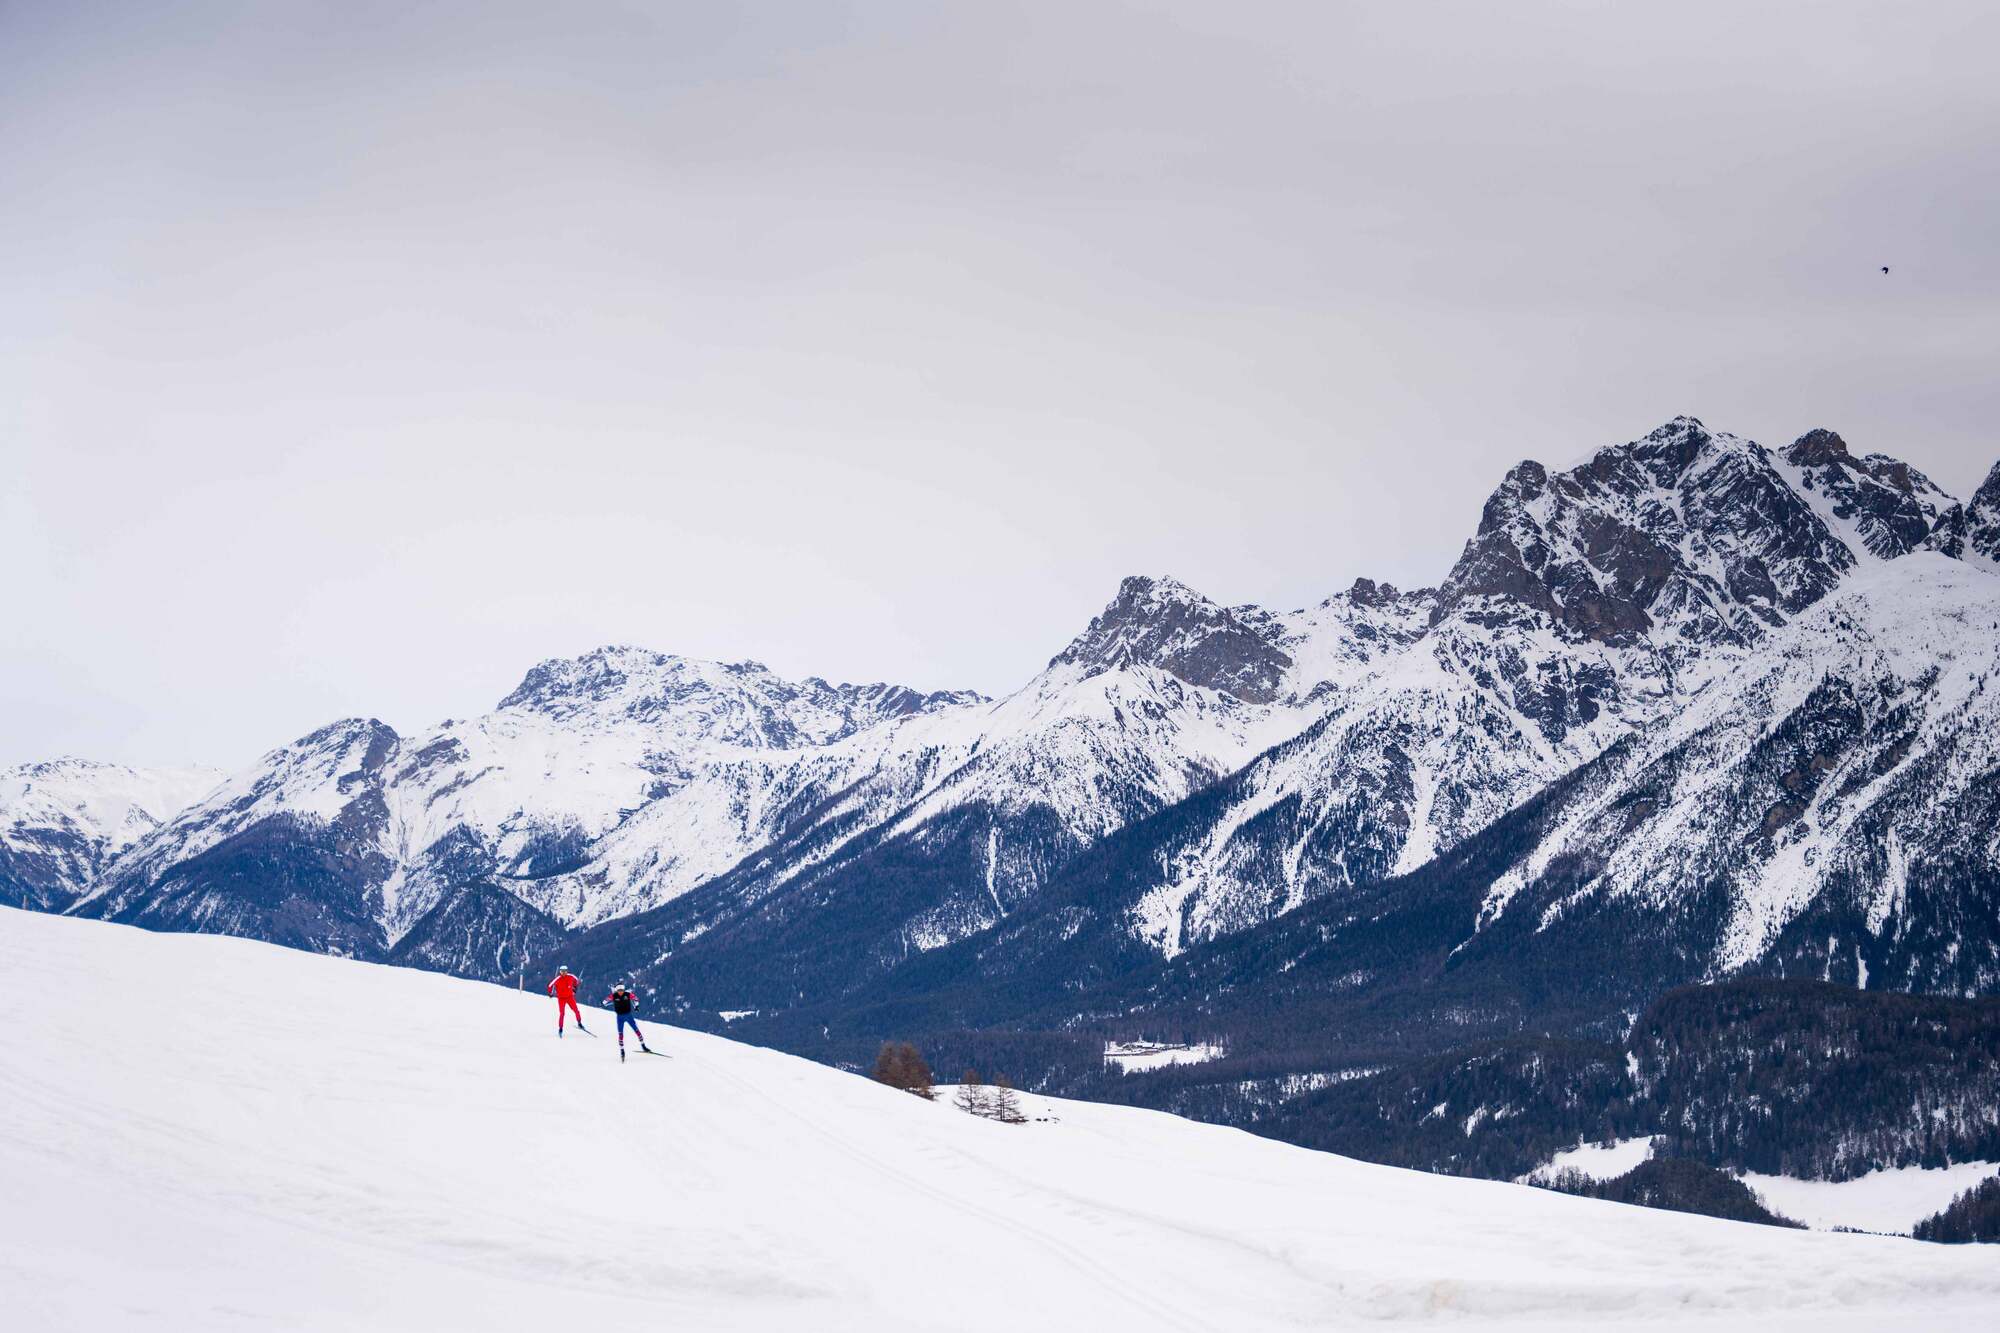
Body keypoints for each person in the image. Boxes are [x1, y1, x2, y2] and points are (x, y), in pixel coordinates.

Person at [606, 982, 653, 1061]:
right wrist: (604, 1002)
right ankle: (622, 1051)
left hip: (628, 1016)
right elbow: (605, 1001)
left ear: (624, 989)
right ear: (617, 990)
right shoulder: (613, 996)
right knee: (620, 1034)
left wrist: (637, 1006)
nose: (621, 992)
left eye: (622, 990)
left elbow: (636, 999)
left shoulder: (628, 994)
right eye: (619, 990)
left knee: (636, 1030)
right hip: (620, 1018)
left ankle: (643, 1046)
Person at [546, 965, 585, 1036]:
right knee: (562, 1013)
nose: (563, 973)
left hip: (570, 997)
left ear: (567, 971)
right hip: (561, 999)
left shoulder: (571, 976)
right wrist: (550, 993)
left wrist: (575, 987)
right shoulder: (558, 978)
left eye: (565, 971)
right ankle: (560, 1028)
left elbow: (577, 981)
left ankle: (579, 1023)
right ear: (560, 972)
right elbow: (550, 985)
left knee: (576, 1010)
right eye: (562, 971)